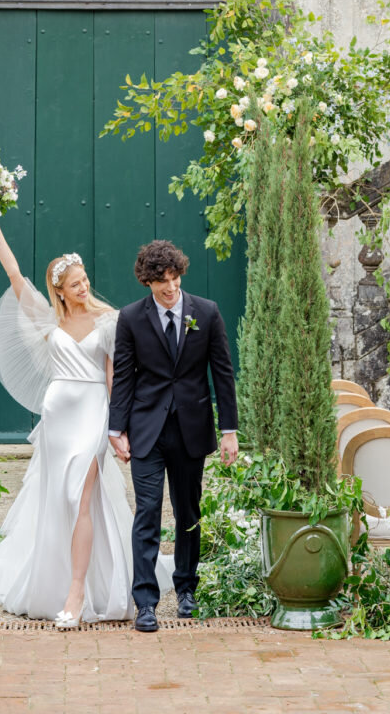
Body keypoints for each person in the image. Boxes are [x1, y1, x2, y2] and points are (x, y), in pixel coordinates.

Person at [0, 205, 172, 625]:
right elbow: (15, 273)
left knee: (80, 496)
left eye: (84, 280)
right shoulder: (47, 319)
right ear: (59, 290)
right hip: (57, 418)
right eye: (74, 284)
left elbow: (114, 378)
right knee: (59, 500)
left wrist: (119, 428)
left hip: (93, 413)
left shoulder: (108, 320)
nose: (83, 286)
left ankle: (77, 593)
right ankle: (63, 582)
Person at [108, 239, 239, 632]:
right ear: (147, 281)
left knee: (188, 513)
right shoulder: (131, 318)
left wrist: (229, 429)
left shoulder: (207, 313)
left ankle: (186, 589)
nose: (170, 286)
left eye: (175, 277)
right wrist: (116, 429)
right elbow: (125, 378)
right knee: (146, 513)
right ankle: (145, 601)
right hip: (146, 430)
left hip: (191, 430)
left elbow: (223, 373)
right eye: (161, 280)